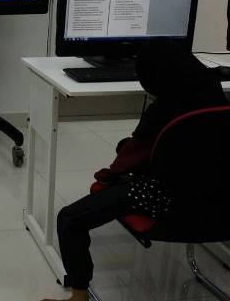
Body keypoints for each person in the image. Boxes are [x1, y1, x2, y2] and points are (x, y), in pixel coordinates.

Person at [42, 38, 227, 301]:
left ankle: (79, 295)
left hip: (170, 201)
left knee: (69, 220)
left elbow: (127, 161)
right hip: (220, 203)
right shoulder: (218, 97)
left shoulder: (164, 111)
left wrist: (109, 175)